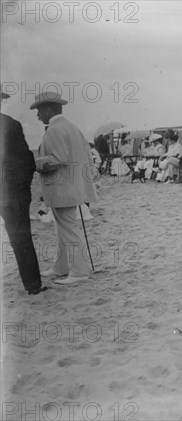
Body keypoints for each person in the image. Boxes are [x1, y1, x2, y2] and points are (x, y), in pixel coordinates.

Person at [30, 91, 98, 285]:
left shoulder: (54, 130)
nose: (37, 116)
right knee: (62, 229)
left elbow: (58, 159)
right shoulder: (72, 128)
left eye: (39, 111)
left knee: (68, 229)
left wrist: (33, 163)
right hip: (72, 187)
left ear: (49, 109)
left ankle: (79, 272)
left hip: (61, 188)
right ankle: (61, 267)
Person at [0, 91, 46, 295]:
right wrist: (22, 190)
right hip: (11, 194)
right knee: (21, 238)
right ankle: (33, 284)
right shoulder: (11, 124)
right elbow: (26, 162)